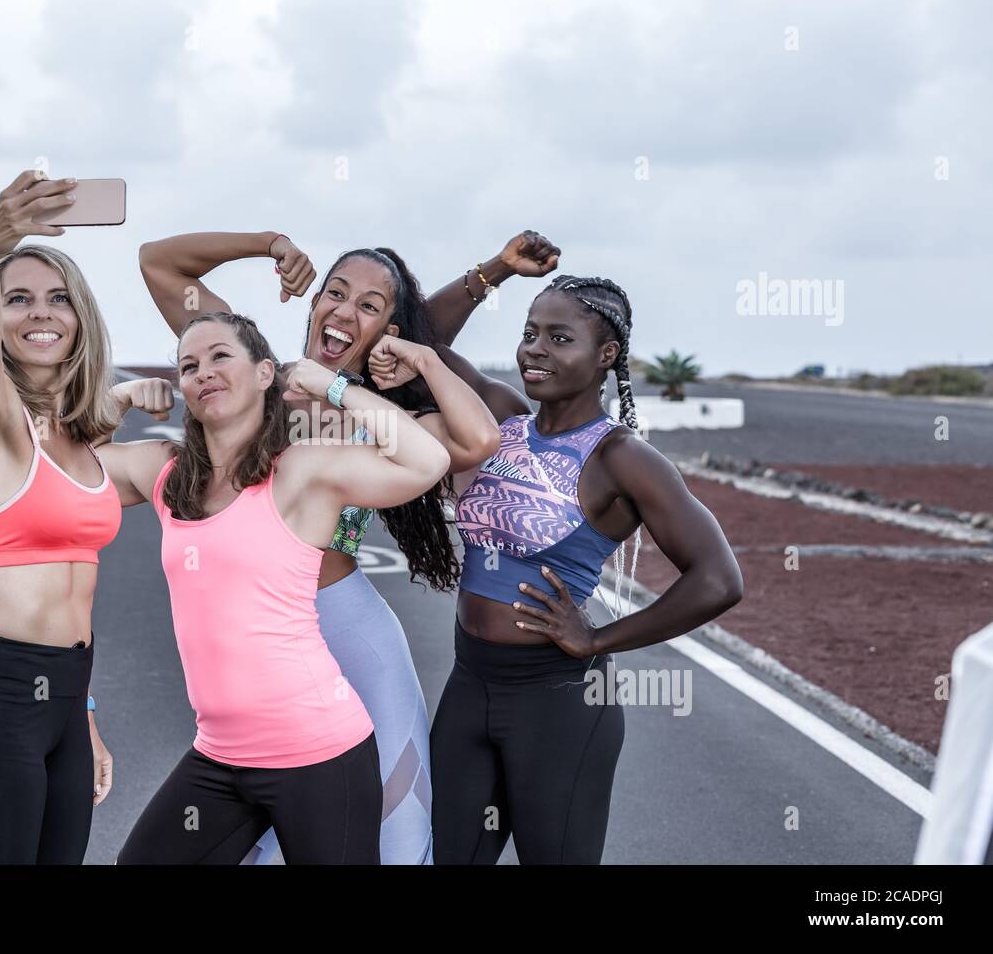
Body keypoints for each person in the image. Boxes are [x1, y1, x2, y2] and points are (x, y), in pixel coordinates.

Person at [136, 232, 501, 863]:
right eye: (335, 293)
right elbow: (158, 263)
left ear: (388, 329)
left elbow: (477, 440)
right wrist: (267, 245)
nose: (344, 311)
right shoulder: (248, 378)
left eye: (370, 306)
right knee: (249, 807)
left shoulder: (379, 417)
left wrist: (423, 360)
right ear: (311, 304)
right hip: (257, 635)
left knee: (396, 804)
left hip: (347, 623)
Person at [427, 269, 745, 864]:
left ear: (607, 355)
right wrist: (493, 269)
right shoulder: (499, 419)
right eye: (529, 333)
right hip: (468, 686)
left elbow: (718, 579)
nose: (535, 350)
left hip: (557, 704)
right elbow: (420, 337)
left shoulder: (621, 458)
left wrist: (599, 636)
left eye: (559, 338)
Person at [0, 170, 170, 863]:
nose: (41, 313)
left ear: (80, 316)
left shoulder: (82, 447)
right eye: (18, 299)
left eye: (59, 299)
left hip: (64, 701)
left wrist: (82, 714)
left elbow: (77, 600)